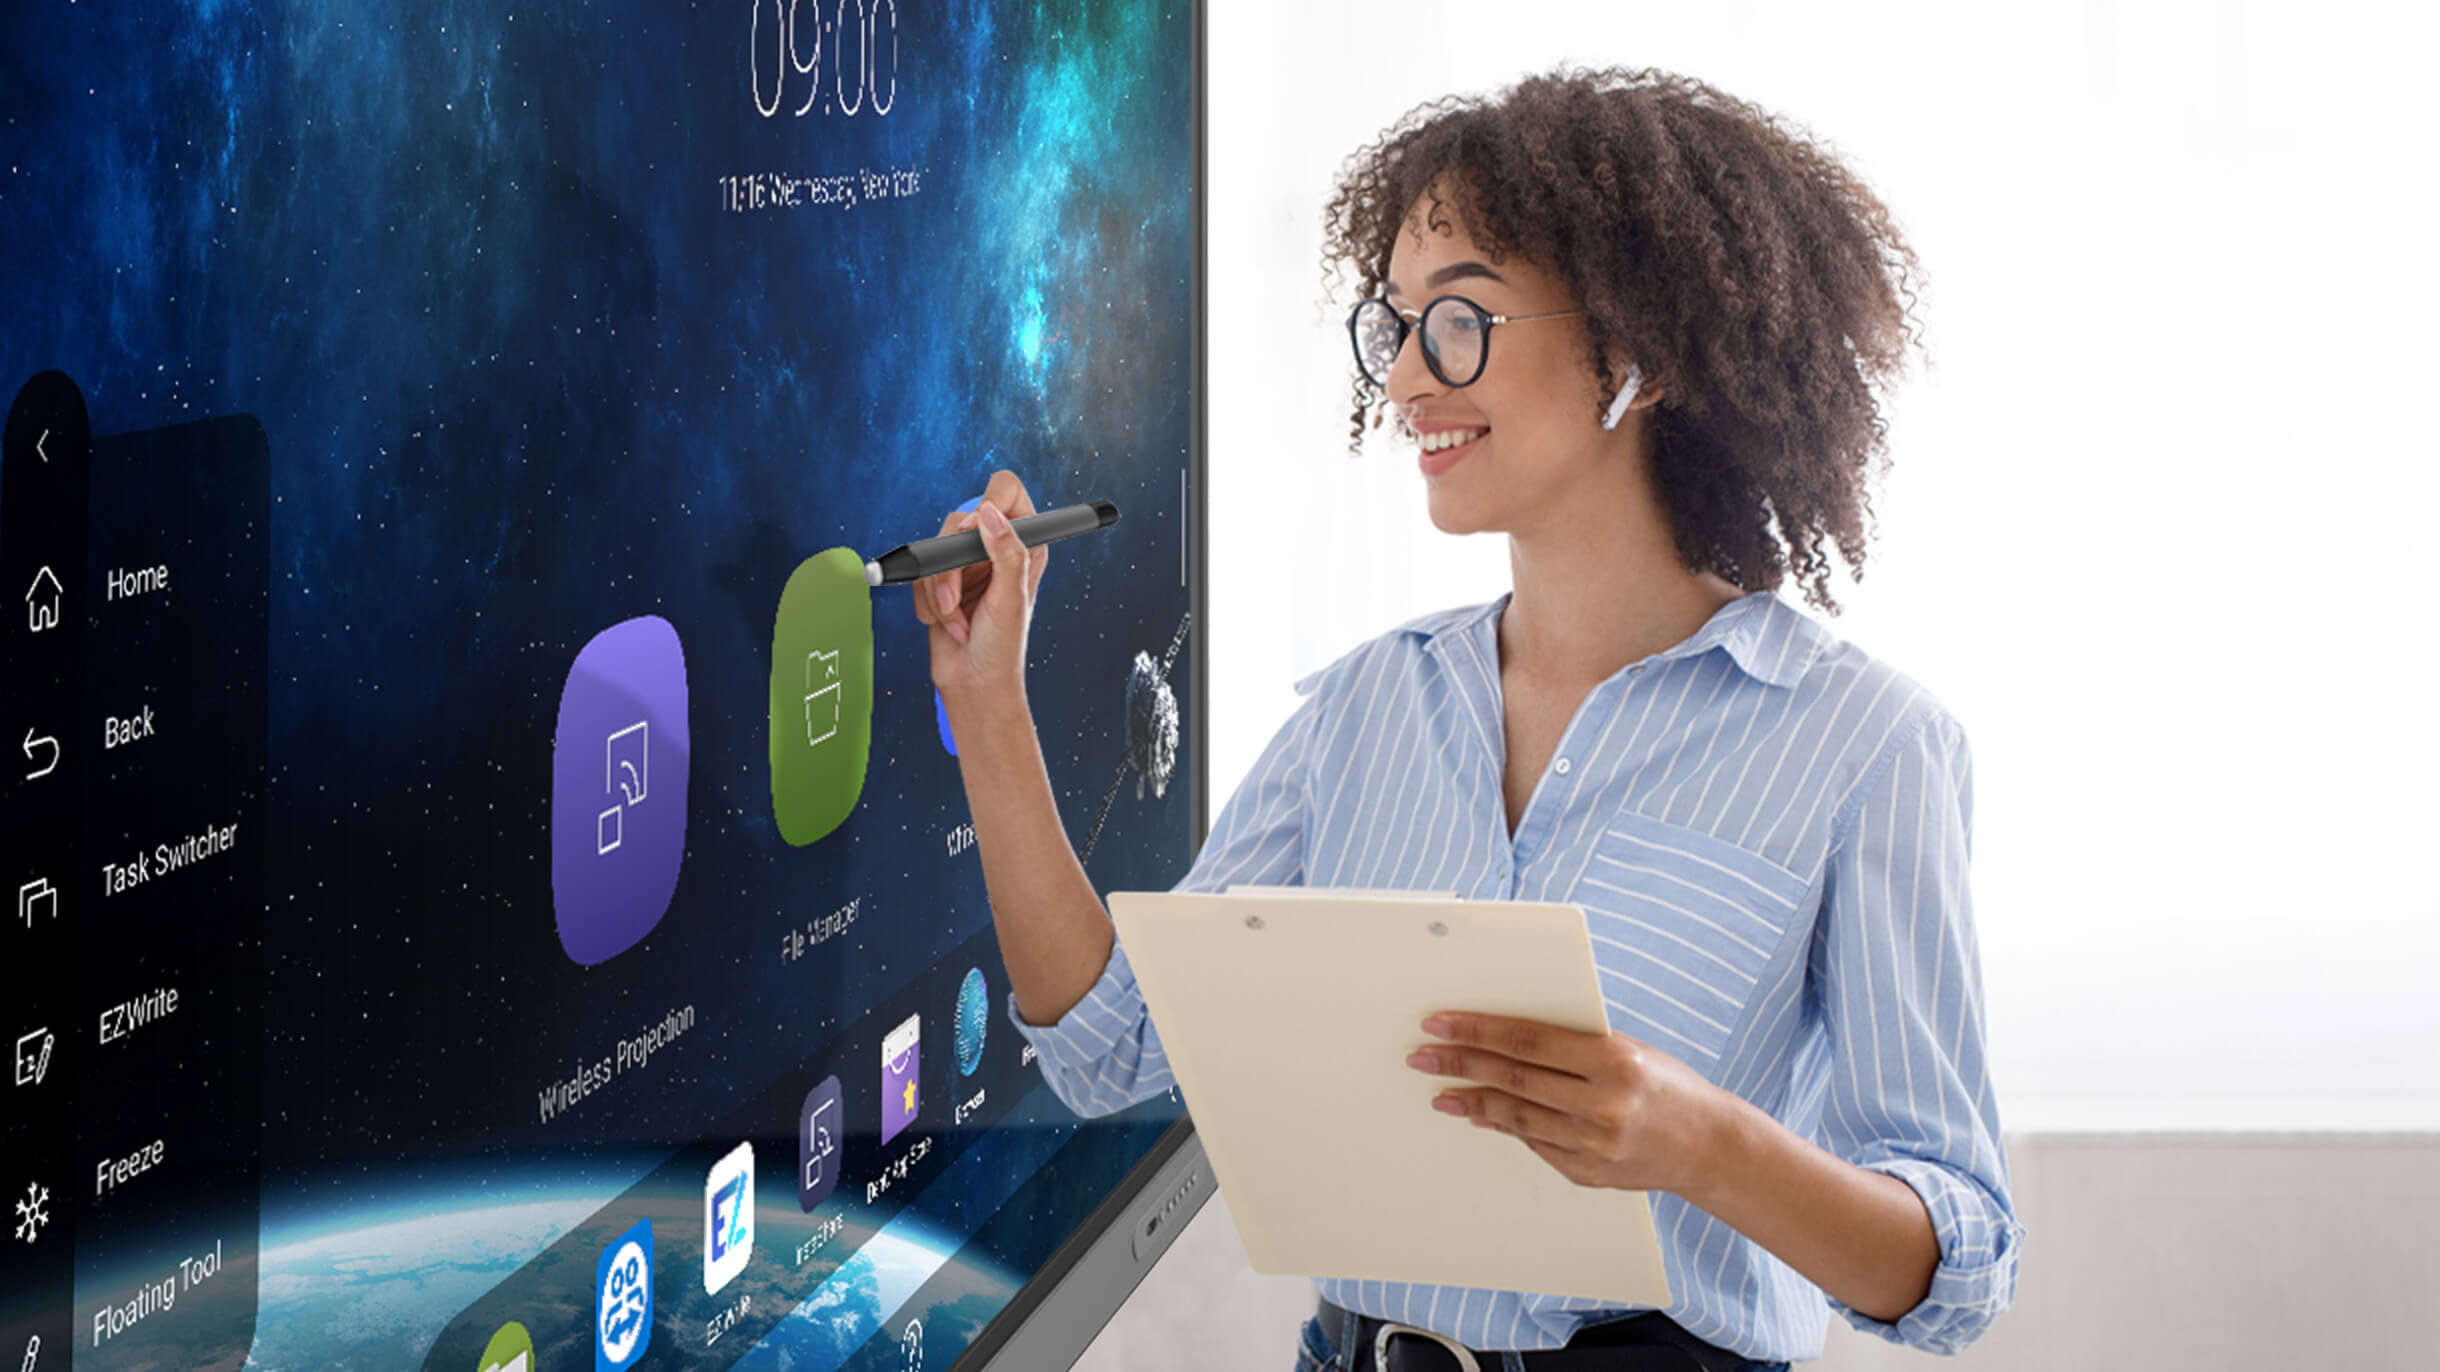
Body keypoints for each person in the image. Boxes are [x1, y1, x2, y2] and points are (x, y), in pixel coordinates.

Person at [914, 64, 2022, 1372]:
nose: (1409, 384)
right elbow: (1111, 1052)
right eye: (1395, 327)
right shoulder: (1364, 711)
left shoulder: (1865, 746)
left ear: (1644, 351)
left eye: (1462, 321)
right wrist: (987, 702)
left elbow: (1959, 1273)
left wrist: (1701, 1144)